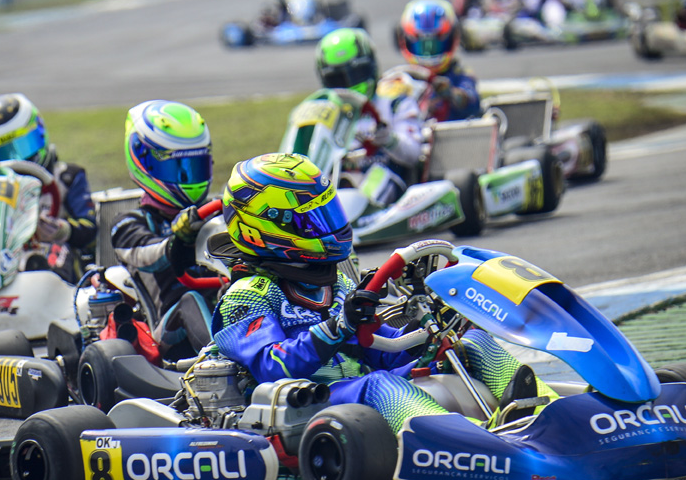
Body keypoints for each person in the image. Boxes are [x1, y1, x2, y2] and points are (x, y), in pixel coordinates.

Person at [210, 152, 557, 434]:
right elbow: (272, 366)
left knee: (474, 344)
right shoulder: (247, 295)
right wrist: (337, 328)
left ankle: (551, 412)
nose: (325, 226)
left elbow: (378, 345)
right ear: (266, 226)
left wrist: (428, 335)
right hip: (305, 404)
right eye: (310, 219)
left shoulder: (334, 284)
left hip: (353, 393)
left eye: (326, 214)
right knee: (380, 386)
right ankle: (471, 440)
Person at [109, 100, 219, 364]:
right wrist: (179, 239)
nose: (188, 178)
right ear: (144, 162)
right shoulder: (127, 224)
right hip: (168, 329)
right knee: (191, 299)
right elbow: (149, 255)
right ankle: (221, 361)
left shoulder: (216, 213)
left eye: (196, 168)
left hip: (222, 306)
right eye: (177, 169)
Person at [0, 92, 97, 284]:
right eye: (3, 152)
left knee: (57, 251)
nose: (16, 160)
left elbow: (90, 227)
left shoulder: (67, 177)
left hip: (47, 255)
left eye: (21, 146)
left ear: (40, 132)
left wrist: (63, 230)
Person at [315, 27, 425, 202]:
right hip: (342, 178)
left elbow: (413, 154)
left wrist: (389, 140)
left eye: (356, 74)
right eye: (338, 79)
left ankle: (355, 213)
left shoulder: (396, 103)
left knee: (376, 179)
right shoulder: (328, 112)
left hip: (388, 175)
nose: (349, 84)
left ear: (371, 67)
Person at [396, 0, 481, 122]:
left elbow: (472, 102)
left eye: (435, 45)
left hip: (452, 135)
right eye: (423, 46)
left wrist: (451, 94)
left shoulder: (458, 75)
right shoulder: (403, 80)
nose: (429, 52)